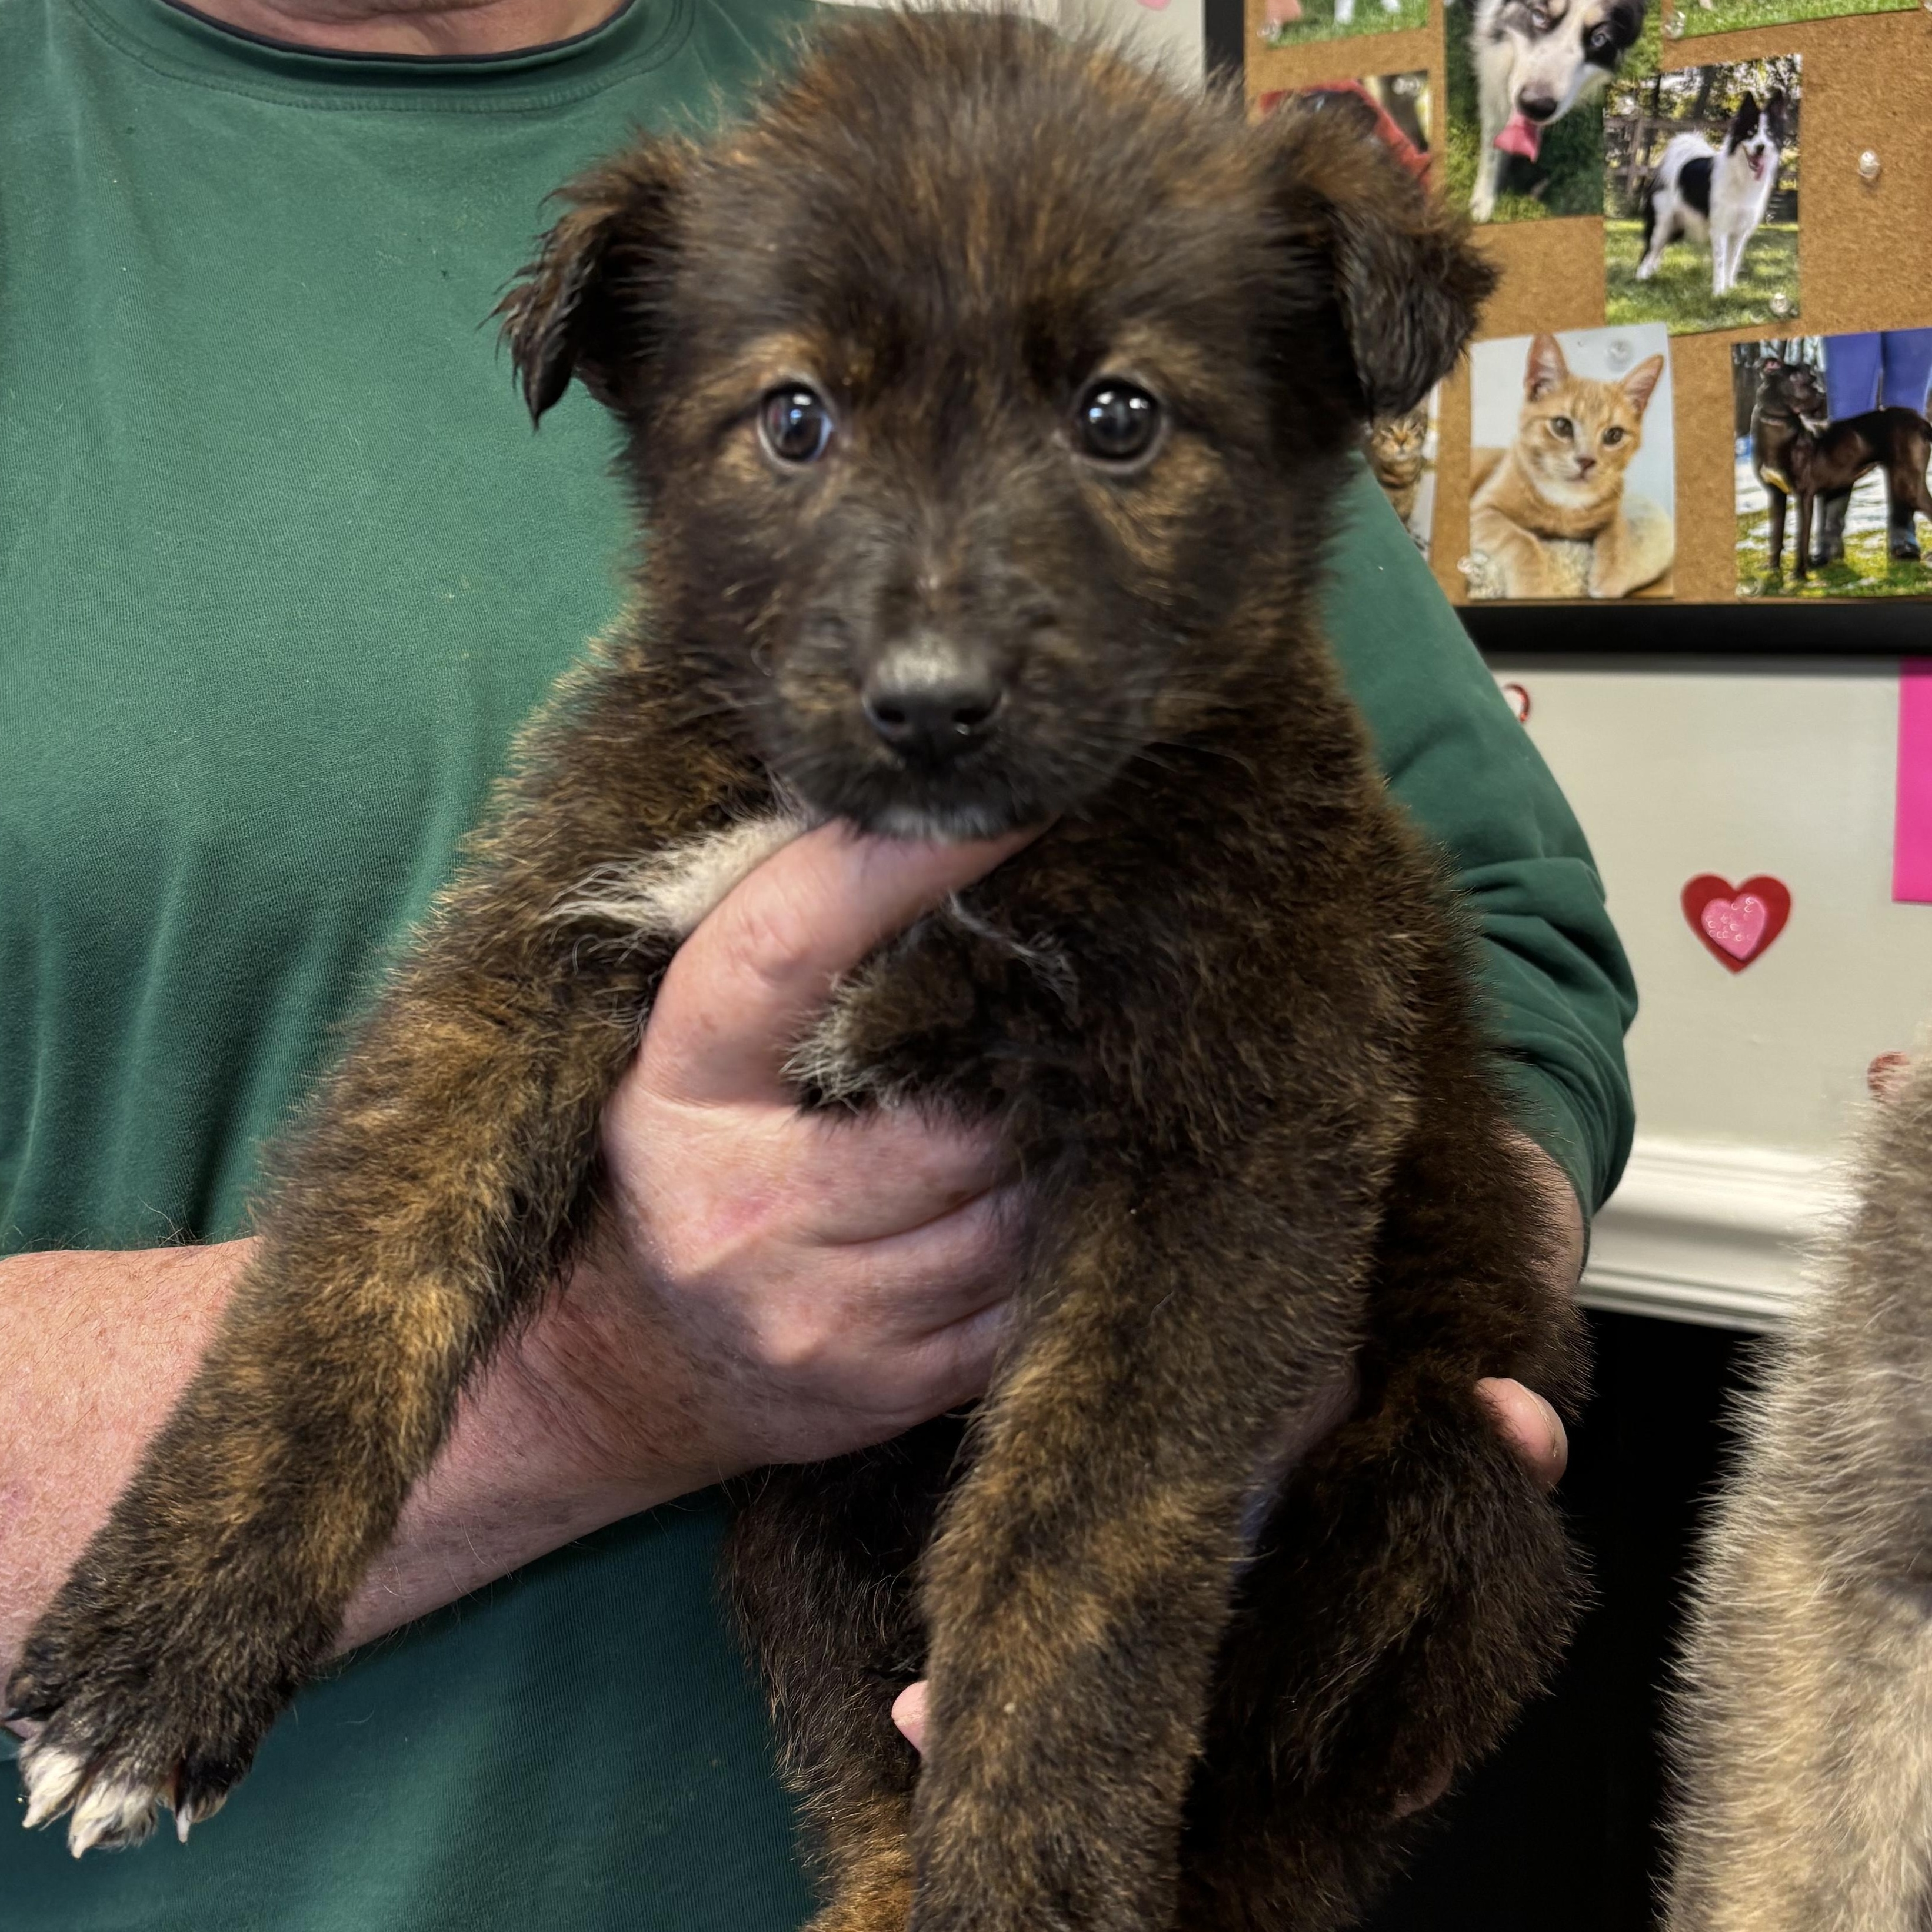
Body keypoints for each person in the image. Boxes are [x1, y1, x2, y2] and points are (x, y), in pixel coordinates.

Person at [0, 0, 1636, 1923]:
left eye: (1112, 420)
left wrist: (1338, 1362)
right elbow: (444, 1104)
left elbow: (1508, 958)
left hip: (1241, 1682)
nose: (932, 642)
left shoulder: (1132, 298)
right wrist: (597, 1371)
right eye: (799, 422)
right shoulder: (669, 635)